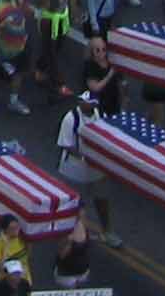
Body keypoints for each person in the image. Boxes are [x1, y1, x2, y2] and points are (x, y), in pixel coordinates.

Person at [55, 92, 120, 246]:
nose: (83, 104)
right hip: (74, 168)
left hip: (96, 168)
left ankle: (107, 231)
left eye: (87, 102)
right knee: (74, 203)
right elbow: (66, 144)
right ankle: (72, 233)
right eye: (82, 101)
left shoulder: (100, 114)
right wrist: (86, 157)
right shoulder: (71, 118)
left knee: (102, 199)